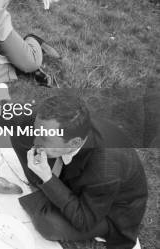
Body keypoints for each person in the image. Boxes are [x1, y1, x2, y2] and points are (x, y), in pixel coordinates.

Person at [11, 94, 148, 249]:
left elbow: (85, 220)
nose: (36, 141)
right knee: (20, 133)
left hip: (110, 211)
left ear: (75, 142)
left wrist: (48, 179)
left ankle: (49, 190)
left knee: (48, 224)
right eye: (37, 132)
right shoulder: (51, 123)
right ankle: (47, 188)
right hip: (82, 177)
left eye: (44, 138)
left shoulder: (105, 170)